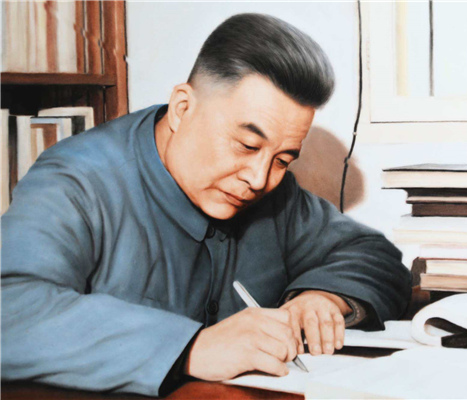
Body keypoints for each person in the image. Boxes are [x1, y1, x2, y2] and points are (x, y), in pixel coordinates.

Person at [1, 13, 411, 396]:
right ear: (183, 108)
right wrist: (192, 348)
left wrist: (323, 297)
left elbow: (373, 254)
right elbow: (10, 310)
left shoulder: (276, 192)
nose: (258, 179)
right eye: (246, 144)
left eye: (283, 159)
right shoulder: (76, 179)